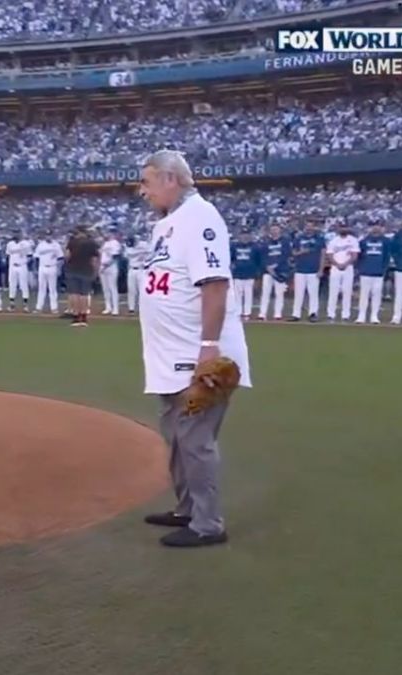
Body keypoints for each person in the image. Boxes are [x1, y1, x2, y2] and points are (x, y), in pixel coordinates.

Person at [137, 150, 250, 548]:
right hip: (169, 356)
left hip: (195, 353)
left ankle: (208, 524)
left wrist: (208, 347)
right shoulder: (167, 224)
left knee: (195, 439)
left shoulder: (200, 217)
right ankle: (187, 509)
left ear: (171, 179)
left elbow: (215, 284)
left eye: (148, 181)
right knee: (176, 436)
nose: (142, 190)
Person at [64, 226, 100, 327]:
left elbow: (67, 256)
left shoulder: (72, 242)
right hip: (86, 270)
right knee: (84, 294)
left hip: (73, 269)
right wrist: (96, 271)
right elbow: (95, 259)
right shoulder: (91, 243)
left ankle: (76, 317)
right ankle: (84, 317)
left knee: (75, 294)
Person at [355, 221, 390, 324]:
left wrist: (383, 269)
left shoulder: (385, 241)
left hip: (378, 272)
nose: (375, 228)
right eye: (373, 226)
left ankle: (374, 316)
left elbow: (386, 257)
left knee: (377, 294)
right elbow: (359, 256)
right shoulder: (364, 241)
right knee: (364, 295)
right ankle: (361, 315)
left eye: (377, 226)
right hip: (365, 272)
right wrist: (360, 268)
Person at [324, 221, 359, 322]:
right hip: (335, 267)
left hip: (348, 267)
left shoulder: (353, 240)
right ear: (338, 228)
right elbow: (329, 255)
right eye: (341, 227)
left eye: (345, 227)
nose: (343, 229)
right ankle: (331, 314)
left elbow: (354, 255)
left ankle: (345, 315)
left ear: (348, 228)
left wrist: (345, 264)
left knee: (347, 291)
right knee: (333, 292)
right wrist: (337, 264)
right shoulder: (333, 241)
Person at [289, 219, 323, 323]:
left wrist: (321, 269)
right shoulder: (299, 238)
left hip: (313, 270)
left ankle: (313, 313)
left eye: (311, 226)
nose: (309, 228)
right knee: (298, 293)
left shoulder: (319, 239)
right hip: (300, 269)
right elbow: (293, 253)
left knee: (313, 293)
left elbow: (323, 254)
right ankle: (296, 314)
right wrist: (301, 252)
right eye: (307, 226)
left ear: (314, 227)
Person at [257, 224, 291, 321]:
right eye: (272, 230)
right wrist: (268, 267)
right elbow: (263, 256)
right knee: (265, 293)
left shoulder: (285, 241)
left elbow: (286, 255)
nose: (274, 231)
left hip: (280, 271)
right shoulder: (265, 242)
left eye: (276, 229)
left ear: (280, 230)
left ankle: (278, 314)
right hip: (267, 272)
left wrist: (275, 266)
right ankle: (262, 313)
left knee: (279, 293)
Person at [229, 229, 260, 320]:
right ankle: (238, 312)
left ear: (250, 236)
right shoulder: (234, 246)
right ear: (239, 236)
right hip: (238, 274)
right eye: (243, 235)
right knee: (237, 295)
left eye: (247, 235)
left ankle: (247, 312)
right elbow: (231, 258)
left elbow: (258, 260)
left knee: (248, 294)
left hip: (250, 274)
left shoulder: (255, 247)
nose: (245, 237)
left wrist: (257, 272)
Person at [34, 232, 62, 314]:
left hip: (52, 267)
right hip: (42, 267)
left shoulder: (56, 245)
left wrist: (59, 269)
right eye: (47, 235)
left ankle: (54, 308)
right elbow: (36, 258)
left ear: (52, 236)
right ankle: (39, 307)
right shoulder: (40, 245)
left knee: (52, 289)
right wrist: (35, 269)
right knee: (41, 288)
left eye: (50, 235)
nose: (48, 236)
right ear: (45, 236)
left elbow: (60, 258)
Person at [6, 231, 34, 312]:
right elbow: (8, 255)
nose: (16, 235)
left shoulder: (26, 244)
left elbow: (30, 256)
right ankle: (12, 304)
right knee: (12, 284)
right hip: (12, 266)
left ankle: (25, 305)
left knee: (23, 285)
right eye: (14, 233)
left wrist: (24, 262)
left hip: (22, 266)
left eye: (17, 233)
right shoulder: (10, 244)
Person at [99, 229, 123, 315]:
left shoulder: (115, 243)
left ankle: (115, 308)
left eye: (108, 233)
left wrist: (105, 266)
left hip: (111, 267)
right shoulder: (105, 243)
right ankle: (108, 307)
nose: (106, 234)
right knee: (105, 289)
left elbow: (115, 256)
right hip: (103, 266)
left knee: (113, 288)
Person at [125, 234, 151, 315]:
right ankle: (131, 308)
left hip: (142, 270)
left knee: (142, 290)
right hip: (132, 269)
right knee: (131, 289)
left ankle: (142, 307)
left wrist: (145, 257)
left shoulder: (144, 245)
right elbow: (127, 255)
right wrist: (140, 253)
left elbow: (151, 253)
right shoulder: (128, 247)